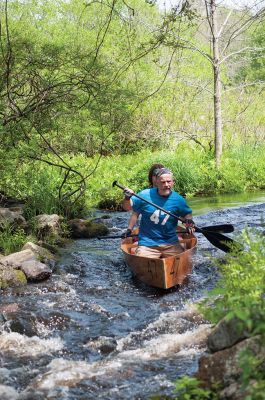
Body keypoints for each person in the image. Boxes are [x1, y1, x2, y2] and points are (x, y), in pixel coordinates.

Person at [122, 168, 195, 258]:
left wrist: (189, 221)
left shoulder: (179, 200)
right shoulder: (145, 195)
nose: (166, 185)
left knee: (182, 258)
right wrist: (127, 198)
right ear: (156, 183)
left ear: (173, 182)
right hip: (147, 245)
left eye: (169, 182)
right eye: (163, 182)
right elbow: (127, 208)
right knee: (141, 258)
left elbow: (187, 214)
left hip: (171, 243)